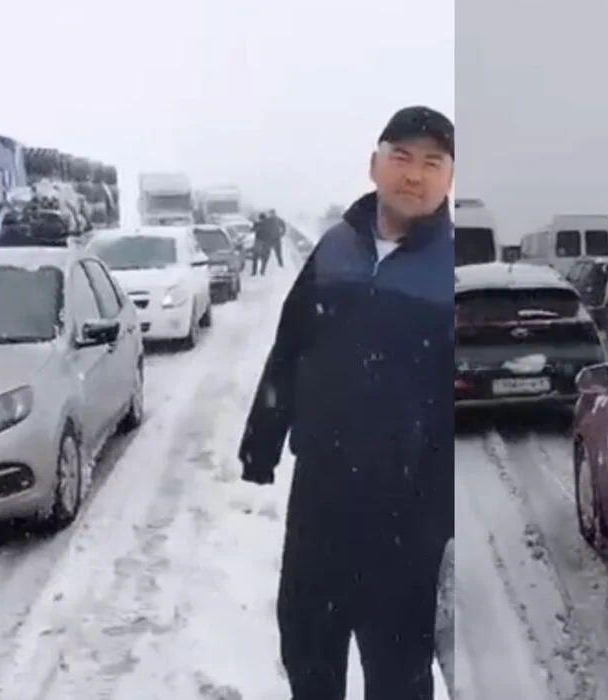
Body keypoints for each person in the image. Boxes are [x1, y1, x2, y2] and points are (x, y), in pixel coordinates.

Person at [238, 105, 454, 700]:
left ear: (449, 178)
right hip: (323, 491)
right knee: (307, 642)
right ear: (374, 164)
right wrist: (263, 438)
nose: (414, 175)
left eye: (432, 163)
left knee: (398, 664)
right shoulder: (335, 249)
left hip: (410, 508)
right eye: (401, 157)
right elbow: (291, 346)